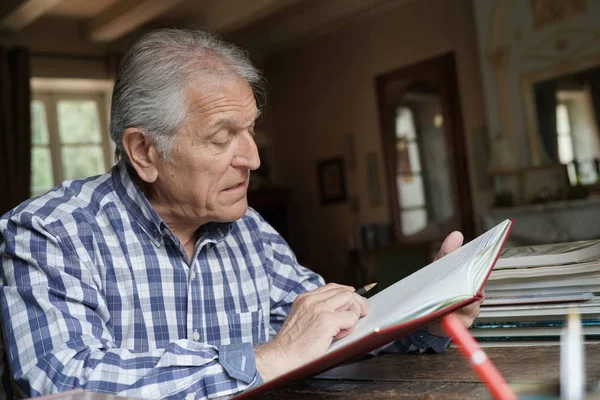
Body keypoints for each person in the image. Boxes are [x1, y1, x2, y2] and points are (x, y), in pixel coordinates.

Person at [0, 29, 482, 399]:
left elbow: (329, 333)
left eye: (250, 131)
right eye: (221, 137)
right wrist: (268, 357)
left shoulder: (249, 230)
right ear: (144, 150)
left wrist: (426, 317)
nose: (252, 159)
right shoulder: (49, 232)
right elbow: (62, 382)